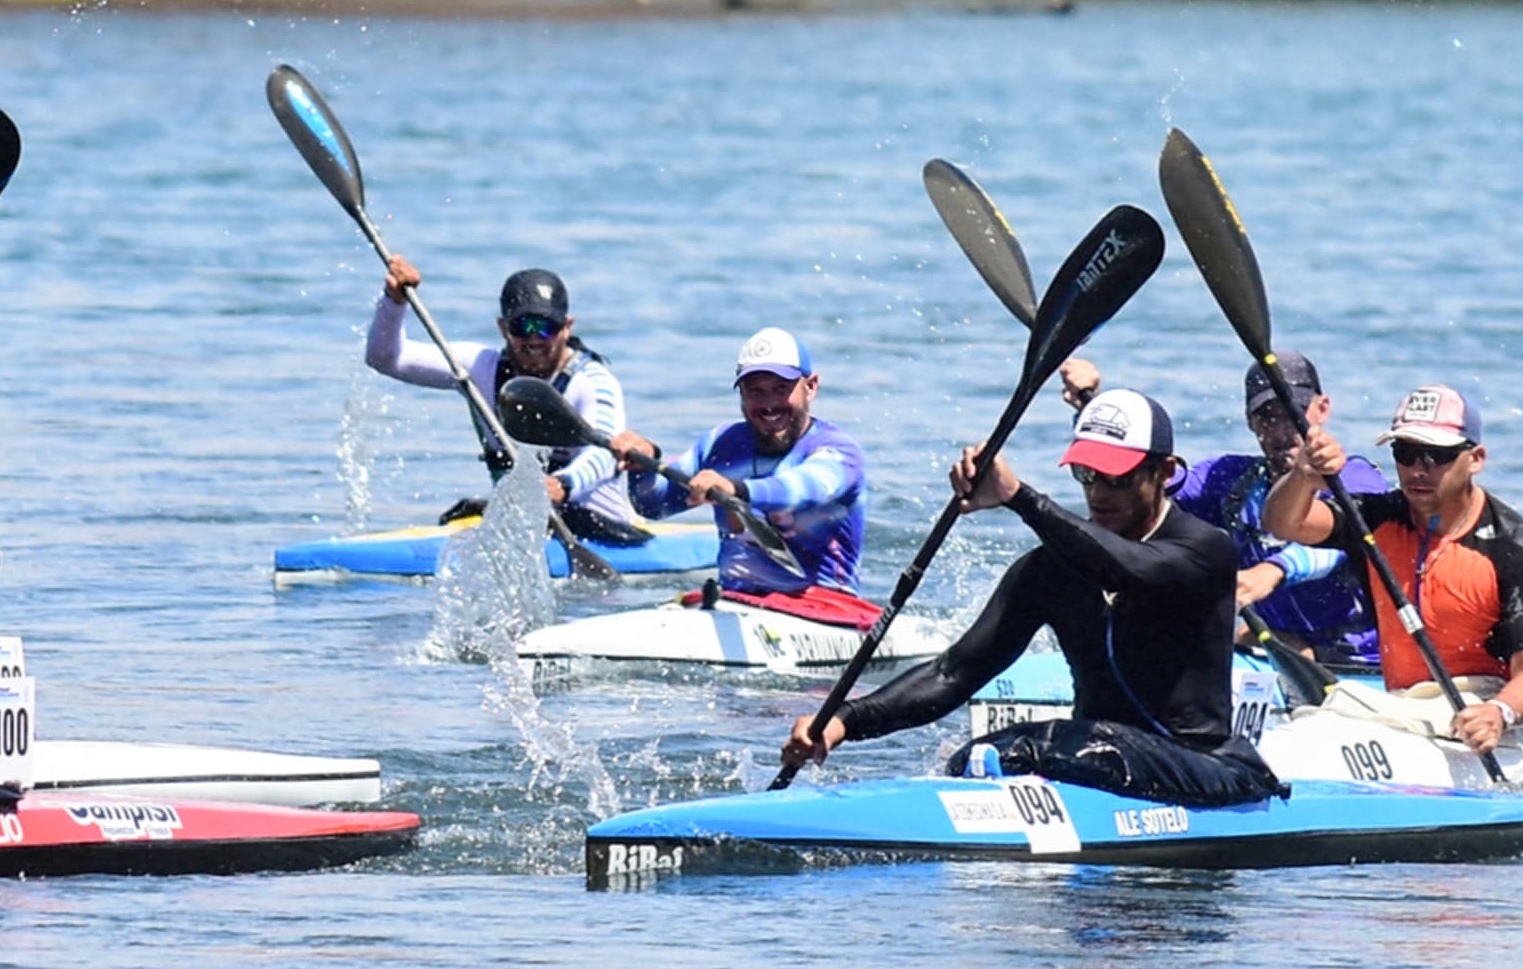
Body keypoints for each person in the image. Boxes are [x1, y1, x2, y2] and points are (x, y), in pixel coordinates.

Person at [778, 387, 1283, 806]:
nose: (1099, 493)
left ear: (1165, 472)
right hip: (1098, 762)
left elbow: (1129, 570)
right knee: (977, 755)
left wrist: (1018, 496)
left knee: (1059, 744)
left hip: (1212, 774)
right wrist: (844, 721)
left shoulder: (1204, 551)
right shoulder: (1051, 571)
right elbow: (954, 672)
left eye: (1117, 477)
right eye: (1087, 475)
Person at [1261, 382, 1523, 754]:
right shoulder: (1379, 518)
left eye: (1436, 456)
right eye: (1406, 452)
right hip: (1406, 707)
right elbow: (1284, 523)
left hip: (1485, 710)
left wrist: (1499, 713)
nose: (1418, 469)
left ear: (1476, 458)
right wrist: (1302, 478)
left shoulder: (1514, 550)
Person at [1106, 350, 1386, 664]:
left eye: (1292, 411)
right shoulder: (1230, 480)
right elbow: (1144, 484)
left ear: (1322, 409)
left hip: (1367, 662)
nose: (1281, 430)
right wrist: (1097, 419)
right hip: (1280, 652)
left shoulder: (1359, 478)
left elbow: (1341, 544)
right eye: (1268, 416)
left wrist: (1274, 570)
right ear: (1250, 423)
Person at [364, 257, 643, 542]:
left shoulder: (593, 383)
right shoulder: (477, 368)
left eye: (545, 327)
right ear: (503, 327)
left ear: (566, 327)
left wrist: (563, 484)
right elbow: (386, 359)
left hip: (603, 533)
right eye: (522, 326)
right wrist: (394, 302)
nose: (534, 340)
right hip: (524, 526)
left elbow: (605, 456)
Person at [619, 327, 867, 594]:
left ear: (811, 387)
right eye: (755, 391)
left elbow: (798, 490)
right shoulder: (720, 444)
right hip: (735, 601)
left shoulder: (838, 452)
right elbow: (653, 505)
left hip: (824, 608)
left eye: (780, 389)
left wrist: (736, 490)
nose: (769, 404)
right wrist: (644, 463)